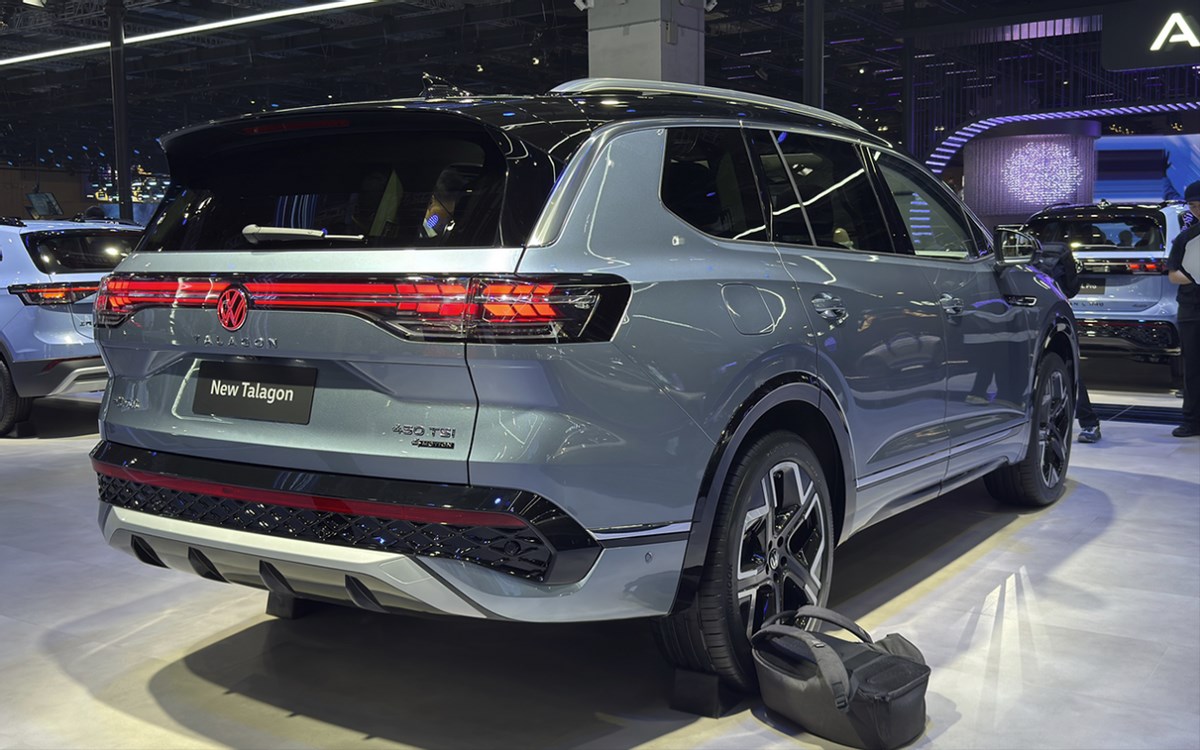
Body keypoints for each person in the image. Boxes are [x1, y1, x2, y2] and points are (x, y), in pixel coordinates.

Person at [1166, 181, 1200, 438]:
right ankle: (1191, 421)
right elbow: (1173, 274)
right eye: (1193, 206)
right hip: (1192, 311)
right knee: (1193, 368)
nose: (1197, 210)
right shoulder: (1185, 238)